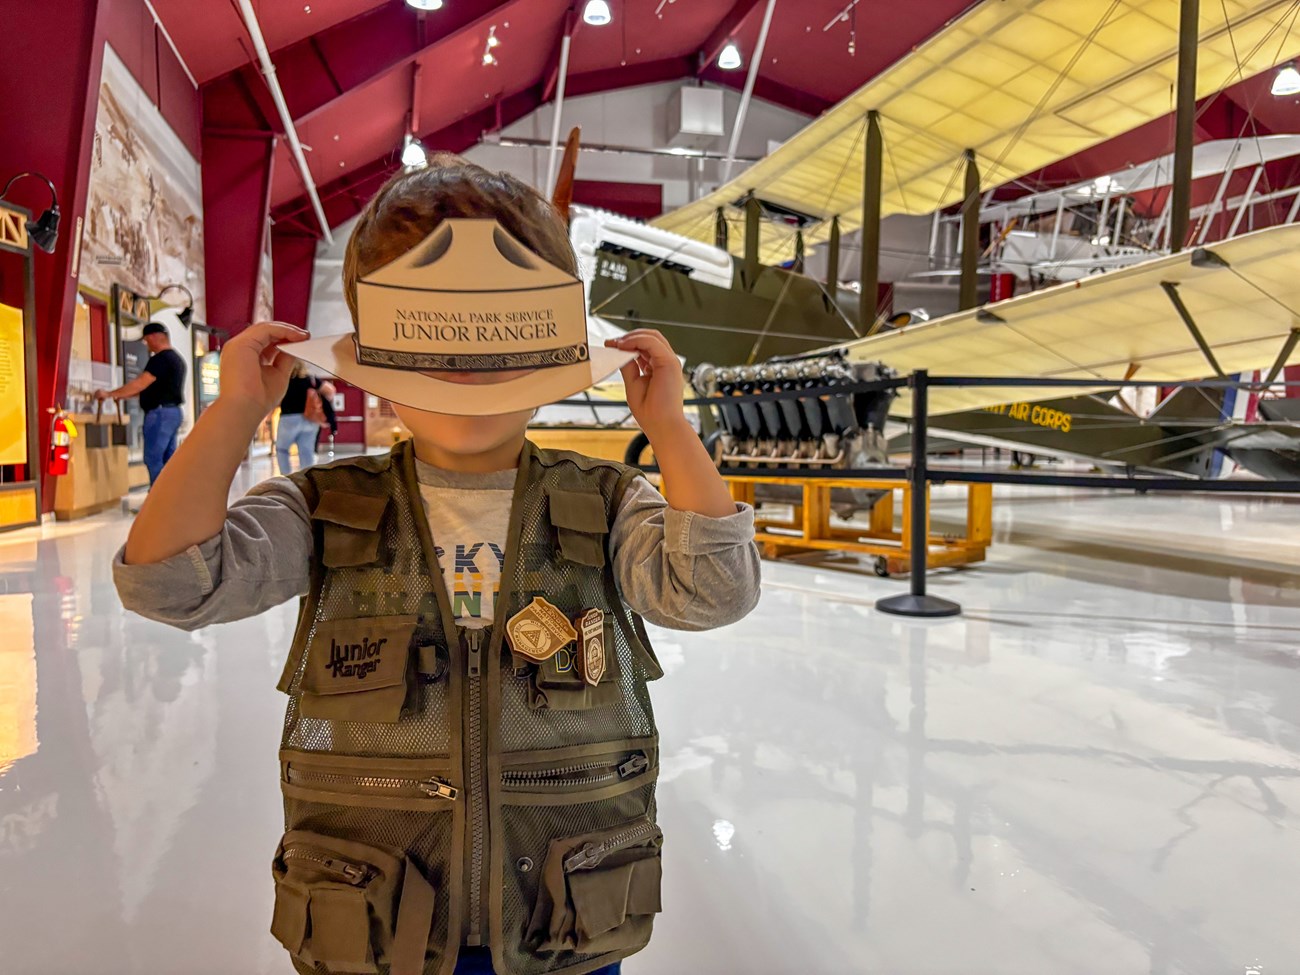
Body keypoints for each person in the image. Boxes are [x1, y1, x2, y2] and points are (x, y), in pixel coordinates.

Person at [113, 157, 761, 975]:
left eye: (497, 341)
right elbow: (170, 583)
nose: (467, 371)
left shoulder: (606, 500)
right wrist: (235, 410)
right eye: (434, 344)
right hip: (378, 922)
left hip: (564, 917)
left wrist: (669, 429)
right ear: (372, 363)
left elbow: (714, 591)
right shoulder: (326, 505)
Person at [96, 320, 186, 486]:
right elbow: (148, 390)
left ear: (154, 337)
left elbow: (140, 384)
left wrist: (109, 394)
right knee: (169, 459)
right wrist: (121, 395)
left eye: (146, 340)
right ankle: (172, 495)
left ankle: (158, 496)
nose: (147, 345)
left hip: (160, 414)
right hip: (173, 413)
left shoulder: (160, 359)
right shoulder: (177, 359)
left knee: (153, 457)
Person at [275, 361, 335, 473]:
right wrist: (320, 402)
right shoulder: (310, 380)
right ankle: (306, 478)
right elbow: (331, 390)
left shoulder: (283, 380)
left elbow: (275, 401)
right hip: (310, 419)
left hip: (289, 419)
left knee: (282, 450)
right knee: (307, 452)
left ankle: (287, 477)